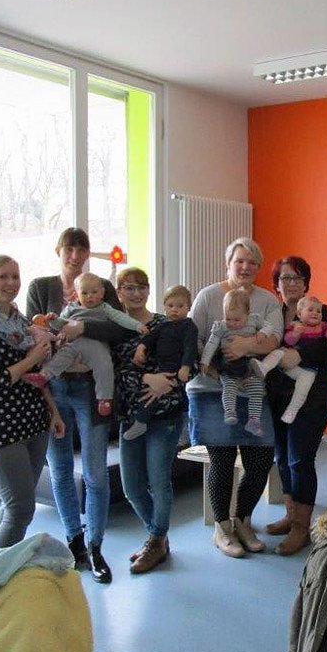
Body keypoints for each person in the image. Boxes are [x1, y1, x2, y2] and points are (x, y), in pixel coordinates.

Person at [26, 227, 118, 584]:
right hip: (54, 389)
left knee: (95, 472)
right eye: (69, 249)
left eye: (82, 250)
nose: (76, 256)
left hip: (91, 389)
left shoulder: (102, 287)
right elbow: (31, 332)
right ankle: (74, 541)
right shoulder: (41, 287)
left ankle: (96, 546)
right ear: (58, 251)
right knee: (61, 469)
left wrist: (82, 331)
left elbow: (118, 330)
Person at [188, 238, 283, 558]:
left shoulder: (267, 300)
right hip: (213, 389)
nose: (245, 267)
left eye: (252, 262)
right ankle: (222, 527)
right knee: (222, 460)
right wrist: (218, 368)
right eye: (239, 261)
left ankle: (243, 520)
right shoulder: (208, 296)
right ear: (228, 263)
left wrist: (244, 347)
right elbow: (195, 340)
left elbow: (273, 339)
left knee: (261, 459)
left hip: (253, 388)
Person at [0, 255, 64, 547]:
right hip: (0, 428)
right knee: (21, 508)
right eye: (2, 277)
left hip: (34, 421)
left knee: (13, 506)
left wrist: (53, 411)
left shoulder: (21, 323)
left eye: (15, 276)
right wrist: (31, 358)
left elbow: (38, 375)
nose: (10, 283)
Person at [111, 267, 188, 574]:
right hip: (130, 416)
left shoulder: (166, 322)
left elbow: (189, 362)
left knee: (158, 480)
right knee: (131, 487)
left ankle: (155, 542)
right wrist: (147, 378)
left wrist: (166, 382)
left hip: (165, 414)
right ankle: (158, 536)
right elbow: (115, 373)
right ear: (119, 293)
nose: (136, 293)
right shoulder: (114, 329)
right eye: (128, 288)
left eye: (141, 286)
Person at [263, 258, 327, 555]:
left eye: (297, 278)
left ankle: (301, 528)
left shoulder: (318, 309)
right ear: (277, 284)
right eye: (285, 278)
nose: (291, 283)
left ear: (306, 283)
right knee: (282, 458)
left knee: (300, 460)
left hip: (313, 398)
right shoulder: (272, 311)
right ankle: (290, 514)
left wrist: (299, 354)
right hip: (277, 396)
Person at [25, 271, 147, 416]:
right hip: (73, 345)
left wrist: (137, 326)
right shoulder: (71, 308)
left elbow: (121, 319)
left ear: (102, 293)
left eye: (94, 292)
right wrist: (53, 319)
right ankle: (44, 375)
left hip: (97, 345)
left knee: (104, 365)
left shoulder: (105, 308)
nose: (90, 296)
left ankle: (104, 398)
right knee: (61, 357)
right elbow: (59, 325)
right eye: (84, 293)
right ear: (77, 295)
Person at [122, 284, 198, 440]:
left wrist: (185, 366)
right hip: (159, 367)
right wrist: (141, 348)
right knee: (149, 392)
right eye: (170, 306)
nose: (174, 310)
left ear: (188, 307)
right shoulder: (162, 325)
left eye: (180, 306)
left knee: (156, 395)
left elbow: (190, 347)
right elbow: (149, 338)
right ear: (164, 306)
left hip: (175, 368)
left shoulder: (189, 326)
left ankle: (141, 421)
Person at [255, 295, 327, 425]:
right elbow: (288, 340)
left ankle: (292, 411)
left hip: (311, 378)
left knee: (304, 386)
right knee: (278, 353)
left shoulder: (323, 326)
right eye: (310, 310)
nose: (315, 313)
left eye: (318, 311)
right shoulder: (291, 322)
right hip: (279, 384)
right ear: (299, 314)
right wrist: (295, 334)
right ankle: (263, 367)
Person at [199, 288, 267, 436]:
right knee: (229, 387)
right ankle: (229, 412)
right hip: (228, 364)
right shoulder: (222, 326)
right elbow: (212, 343)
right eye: (228, 318)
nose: (232, 323)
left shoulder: (254, 320)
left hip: (249, 364)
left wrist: (263, 332)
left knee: (257, 390)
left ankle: (253, 421)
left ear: (247, 313)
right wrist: (205, 361)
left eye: (237, 320)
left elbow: (270, 327)